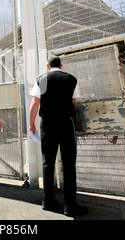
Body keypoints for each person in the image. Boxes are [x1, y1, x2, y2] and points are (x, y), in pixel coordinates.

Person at [28, 55, 88, 217]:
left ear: (48, 67)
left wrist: (31, 124)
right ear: (61, 66)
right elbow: (73, 101)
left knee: (48, 162)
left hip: (47, 124)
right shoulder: (71, 79)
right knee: (69, 164)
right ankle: (70, 205)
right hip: (65, 123)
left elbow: (34, 102)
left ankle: (48, 201)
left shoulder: (41, 79)